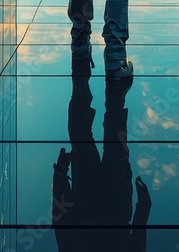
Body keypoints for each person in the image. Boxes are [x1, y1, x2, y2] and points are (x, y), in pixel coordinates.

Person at [51, 73, 151, 250]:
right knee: (97, 136)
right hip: (110, 201)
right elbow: (62, 229)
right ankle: (110, 87)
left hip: (91, 200)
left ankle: (87, 75)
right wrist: (142, 209)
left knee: (84, 135)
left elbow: (62, 228)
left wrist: (60, 177)